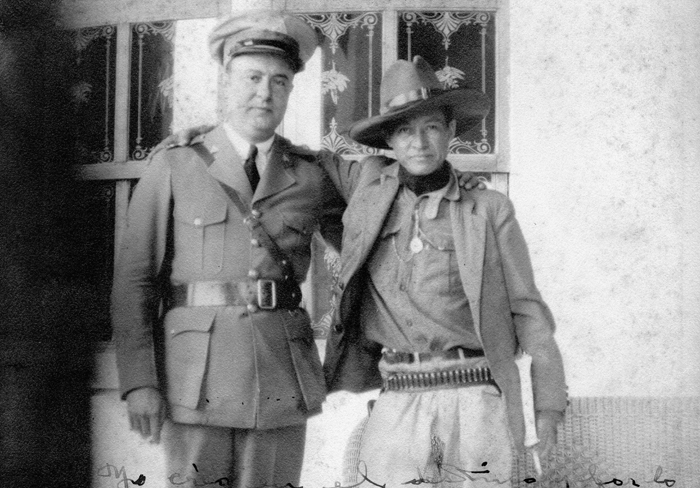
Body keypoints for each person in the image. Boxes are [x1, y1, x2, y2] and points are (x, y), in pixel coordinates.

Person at [111, 10, 348, 487]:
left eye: (279, 81)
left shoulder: (312, 174)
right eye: (252, 78)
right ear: (225, 81)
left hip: (281, 380)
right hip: (195, 381)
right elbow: (134, 281)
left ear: (291, 90)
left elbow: (370, 235)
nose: (265, 93)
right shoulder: (176, 164)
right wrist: (139, 381)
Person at [320, 56, 568, 486]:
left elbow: (528, 312)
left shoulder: (488, 209)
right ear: (389, 140)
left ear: (451, 131)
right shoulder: (368, 193)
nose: (419, 143)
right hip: (397, 398)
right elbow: (299, 164)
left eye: (431, 127)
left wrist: (547, 408)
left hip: (475, 399)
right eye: (404, 131)